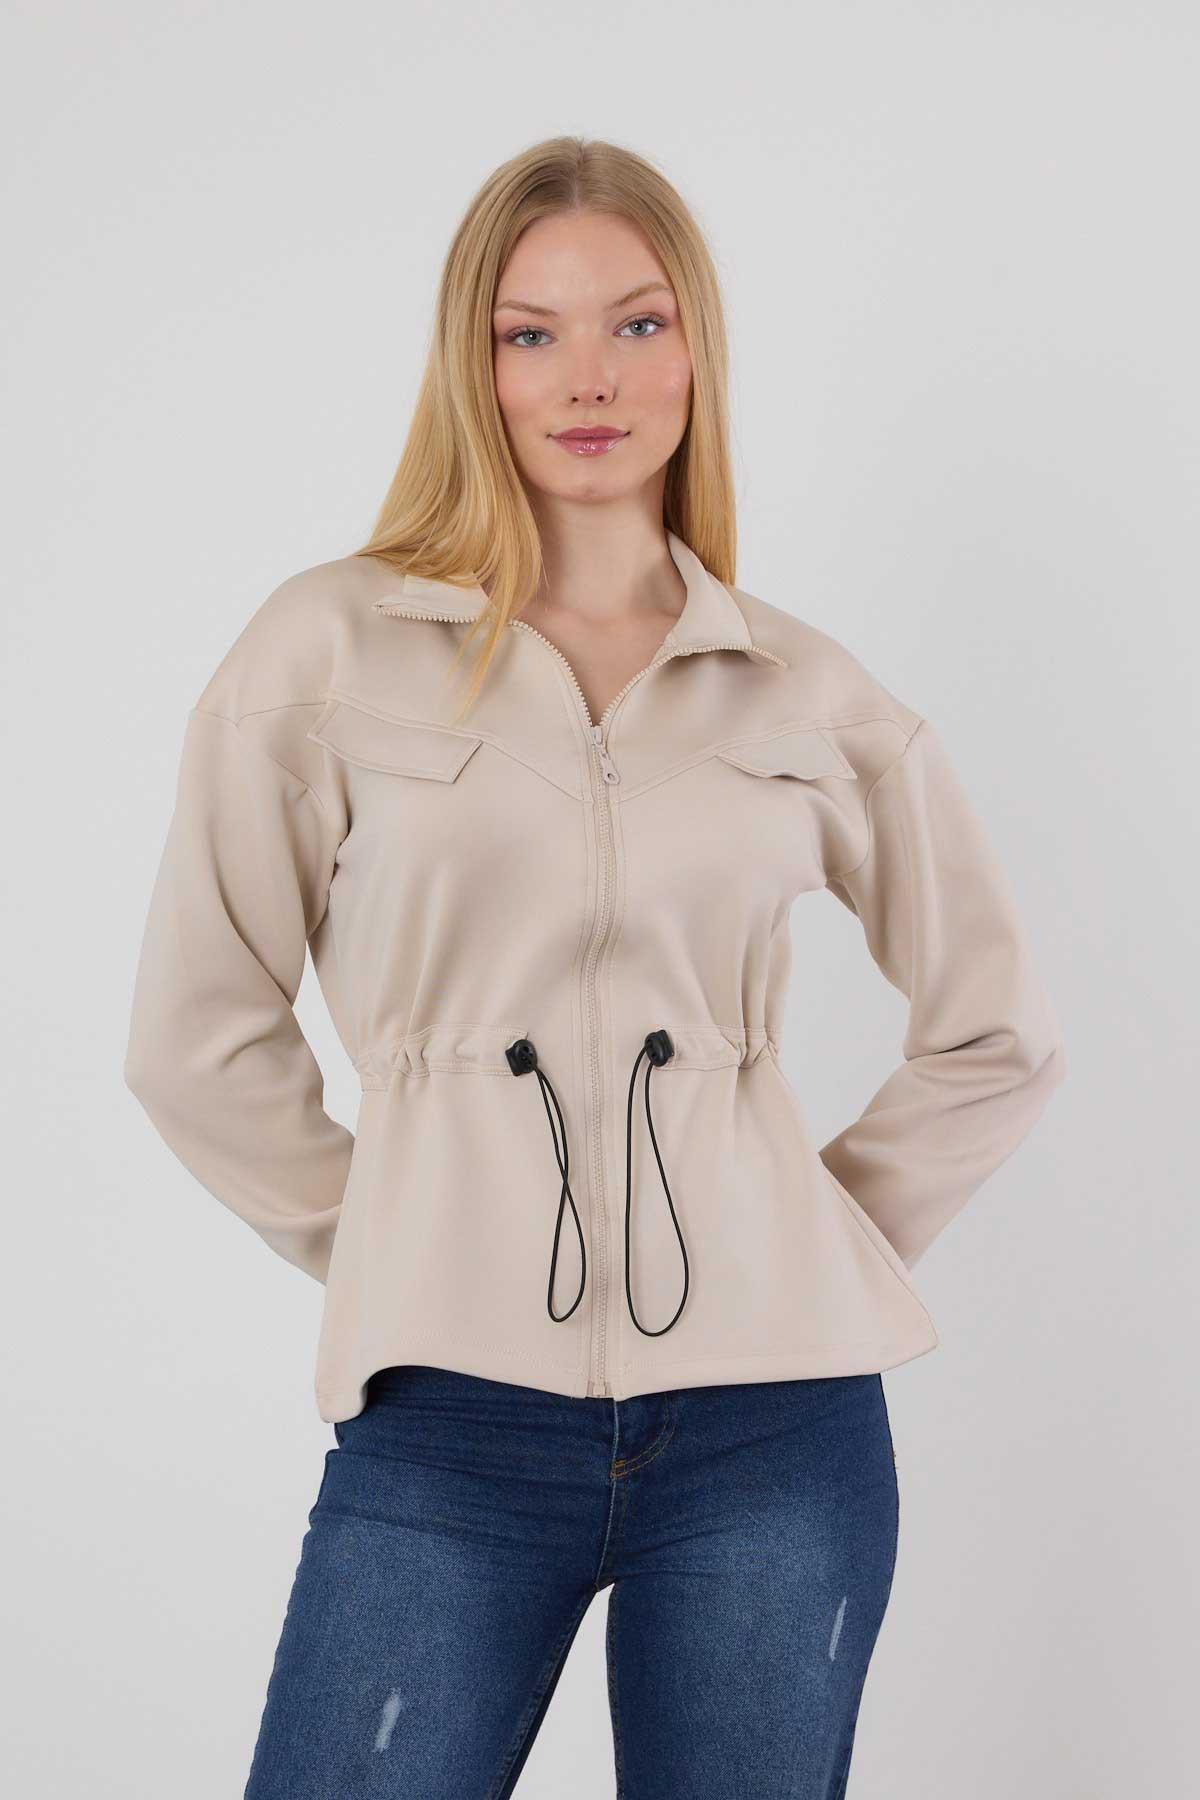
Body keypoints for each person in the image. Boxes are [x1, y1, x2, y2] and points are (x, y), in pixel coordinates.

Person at [123, 135, 1066, 1798]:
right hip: (448, 1427)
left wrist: (820, 1242)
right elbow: (193, 1036)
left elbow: (999, 1032)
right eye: (530, 332)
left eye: (637, 323)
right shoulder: (328, 650)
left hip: (779, 1431)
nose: (589, 379)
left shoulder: (800, 690)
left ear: (697, 348)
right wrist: (397, 1236)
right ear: (471, 364)